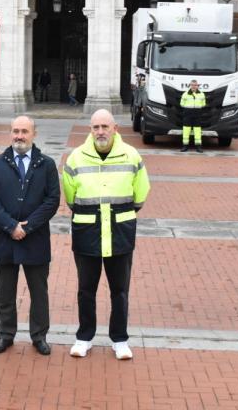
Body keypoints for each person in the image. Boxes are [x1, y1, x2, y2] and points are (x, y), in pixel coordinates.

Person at [63, 109, 150, 361]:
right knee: (85, 290)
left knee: (119, 290)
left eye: (105, 127)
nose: (100, 132)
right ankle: (84, 337)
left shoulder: (131, 155)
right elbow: (70, 196)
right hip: (87, 231)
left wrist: (122, 212)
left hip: (119, 231)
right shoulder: (76, 157)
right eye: (95, 127)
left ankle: (120, 339)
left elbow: (141, 191)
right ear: (90, 130)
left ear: (115, 129)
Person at [0, 116, 59, 356]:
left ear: (33, 134)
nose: (19, 136)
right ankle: (6, 334)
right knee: (6, 292)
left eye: (24, 131)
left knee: (39, 292)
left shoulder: (46, 164)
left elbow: (52, 200)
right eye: (15, 131)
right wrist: (10, 225)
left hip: (35, 238)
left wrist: (28, 226)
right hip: (5, 238)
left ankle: (39, 336)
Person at [179, 79, 207, 153]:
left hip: (197, 113)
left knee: (197, 130)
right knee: (186, 130)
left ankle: (198, 147)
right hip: (187, 113)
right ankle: (185, 146)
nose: (193, 86)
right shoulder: (185, 94)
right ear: (190, 85)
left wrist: (197, 107)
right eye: (192, 85)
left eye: (195, 85)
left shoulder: (201, 94)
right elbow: (181, 103)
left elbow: (204, 103)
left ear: (197, 86)